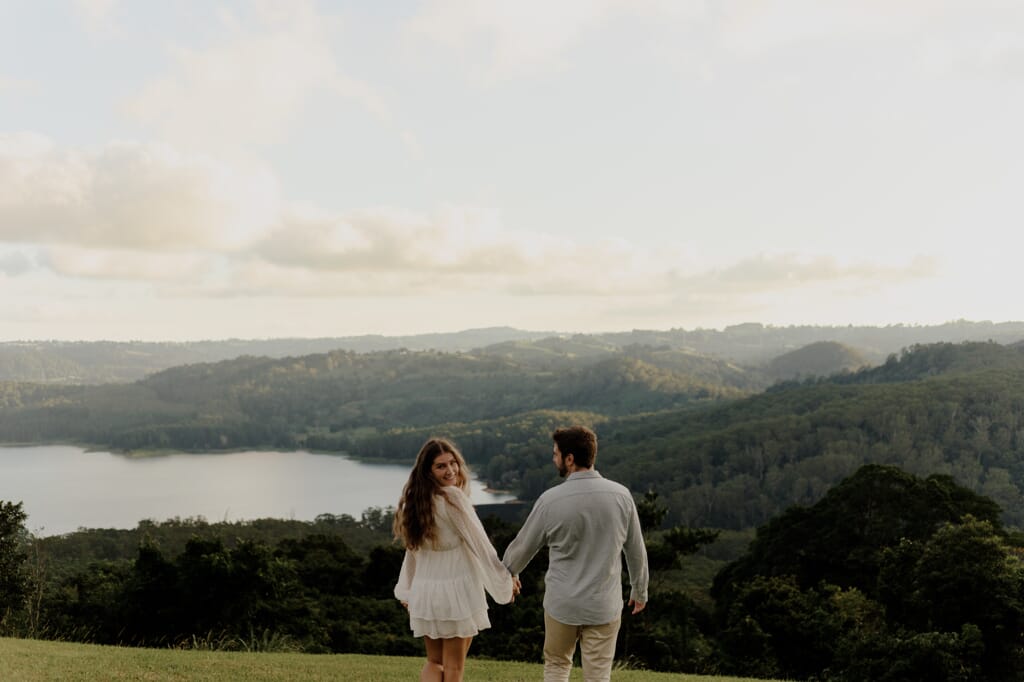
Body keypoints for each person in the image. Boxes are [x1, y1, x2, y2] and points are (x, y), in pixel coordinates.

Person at [502, 425, 649, 682]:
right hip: (603, 604)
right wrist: (640, 590)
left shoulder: (550, 500)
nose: (553, 458)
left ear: (570, 459)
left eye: (556, 453)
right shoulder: (621, 496)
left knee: (557, 666)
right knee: (598, 676)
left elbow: (522, 548)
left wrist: (507, 575)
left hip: (562, 603)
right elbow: (635, 549)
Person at [393, 437, 517, 682]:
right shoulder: (453, 498)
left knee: (434, 662)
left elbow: (413, 552)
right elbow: (481, 545)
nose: (450, 470)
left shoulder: (416, 503)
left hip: (426, 591)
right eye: (441, 466)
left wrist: (407, 591)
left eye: (453, 463)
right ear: (428, 471)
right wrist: (506, 579)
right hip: (456, 591)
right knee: (453, 668)